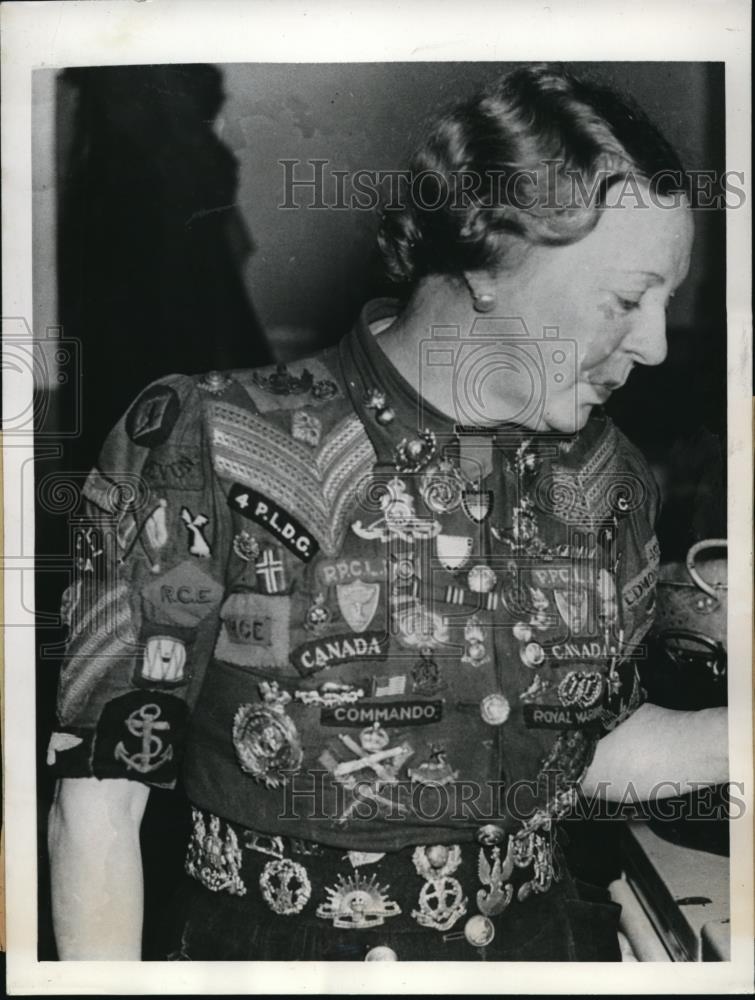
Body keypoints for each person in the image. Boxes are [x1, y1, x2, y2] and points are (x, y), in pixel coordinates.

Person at [47, 64, 727, 962]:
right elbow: (98, 809)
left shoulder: (609, 475)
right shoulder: (205, 443)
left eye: (667, 303)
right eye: (627, 298)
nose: (652, 342)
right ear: (491, 256)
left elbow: (585, 750)